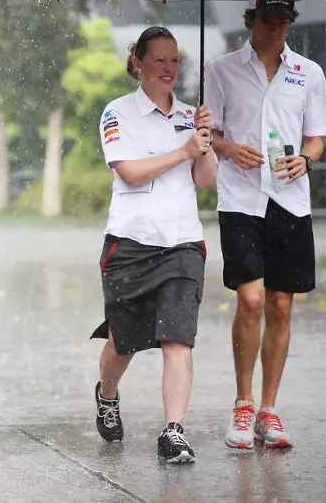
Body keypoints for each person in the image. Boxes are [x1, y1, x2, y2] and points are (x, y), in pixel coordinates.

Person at [203, 0, 326, 450]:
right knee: (252, 300)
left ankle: (269, 411)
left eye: (284, 22)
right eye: (268, 21)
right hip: (240, 199)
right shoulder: (220, 70)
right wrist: (227, 148)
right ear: (251, 19)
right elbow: (210, 134)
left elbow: (318, 137)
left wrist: (306, 159)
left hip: (289, 200)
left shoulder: (308, 73)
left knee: (281, 304)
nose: (276, 30)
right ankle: (242, 405)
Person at [91, 25, 218, 464]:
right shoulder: (117, 113)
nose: (168, 69)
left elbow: (205, 181)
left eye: (174, 60)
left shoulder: (190, 116)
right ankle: (107, 394)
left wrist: (204, 144)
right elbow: (129, 171)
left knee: (178, 340)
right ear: (139, 64)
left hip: (182, 242)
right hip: (130, 244)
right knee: (124, 342)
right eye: (159, 59)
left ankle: (173, 431)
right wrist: (184, 151)